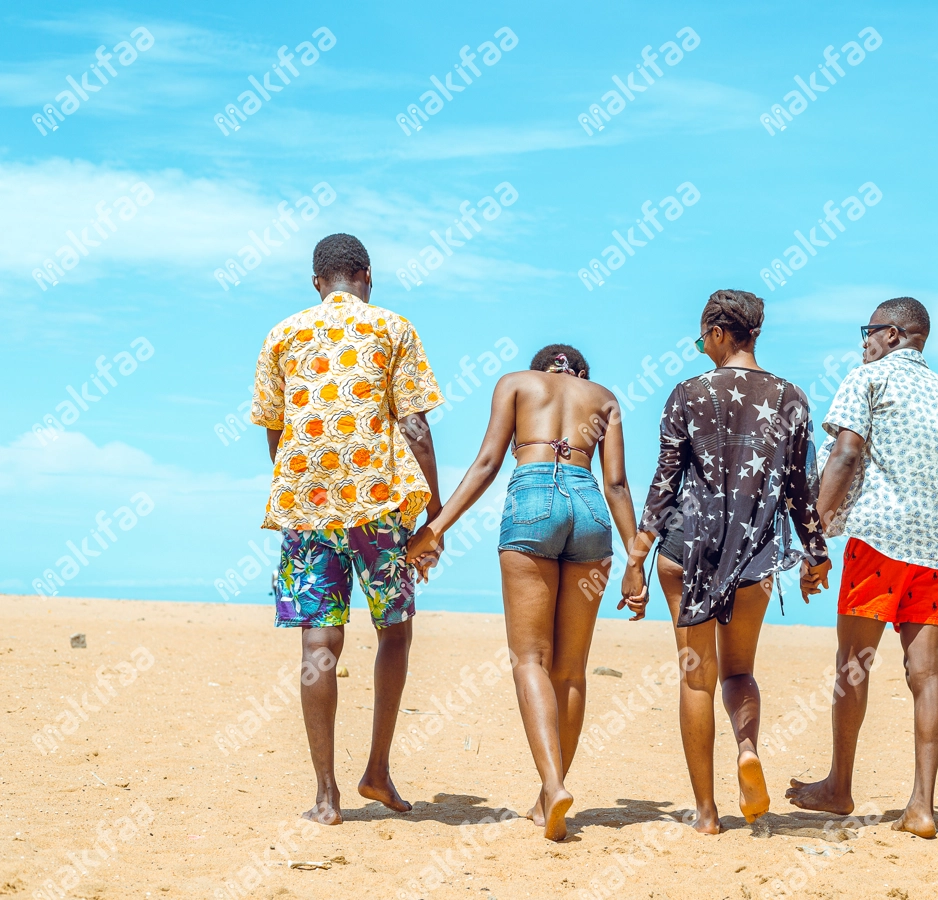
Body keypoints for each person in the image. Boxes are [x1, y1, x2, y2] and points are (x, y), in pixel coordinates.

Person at [407, 344, 638, 842]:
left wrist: (436, 527)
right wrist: (635, 560)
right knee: (572, 667)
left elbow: (489, 462)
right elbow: (616, 484)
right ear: (580, 373)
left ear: (543, 370)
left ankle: (552, 786)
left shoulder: (516, 382)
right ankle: (548, 795)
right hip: (591, 507)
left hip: (535, 499)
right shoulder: (603, 397)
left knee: (530, 659)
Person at [250, 233, 445, 825]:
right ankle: (377, 770)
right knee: (394, 630)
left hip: (307, 507)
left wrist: (304, 484)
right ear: (366, 275)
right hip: (379, 505)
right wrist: (433, 515)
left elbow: (274, 429)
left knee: (318, 645)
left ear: (317, 282)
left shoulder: (283, 333)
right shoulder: (394, 327)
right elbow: (413, 426)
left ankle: (326, 795)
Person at [620, 290, 832, 834]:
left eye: (701, 338)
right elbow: (800, 490)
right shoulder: (791, 397)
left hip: (685, 549)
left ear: (717, 332)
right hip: (755, 557)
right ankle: (746, 750)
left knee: (697, 681)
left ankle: (708, 814)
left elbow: (664, 485)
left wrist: (636, 559)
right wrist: (815, 556)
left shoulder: (687, 394)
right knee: (740, 671)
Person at [785, 297, 938, 839]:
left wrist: (815, 535)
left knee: (854, 661)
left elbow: (845, 455)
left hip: (878, 540)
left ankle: (839, 786)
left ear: (892, 334)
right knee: (927, 674)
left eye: (867, 332)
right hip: (937, 552)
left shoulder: (867, 379)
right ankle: (921, 806)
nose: (863, 342)